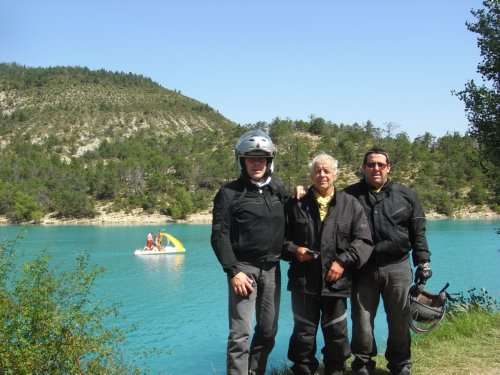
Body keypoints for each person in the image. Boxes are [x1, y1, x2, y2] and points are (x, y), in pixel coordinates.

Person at [283, 153, 373, 375]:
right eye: (317, 170)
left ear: (336, 174)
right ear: (311, 174)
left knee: (337, 335)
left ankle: (335, 370)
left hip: (336, 283)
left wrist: (343, 262)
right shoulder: (296, 204)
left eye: (326, 170)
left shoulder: (350, 204)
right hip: (304, 283)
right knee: (303, 335)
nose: (321, 175)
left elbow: (364, 241)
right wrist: (295, 251)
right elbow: (280, 242)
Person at [344, 148, 432, 375]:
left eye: (380, 165)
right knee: (362, 321)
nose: (376, 168)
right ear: (364, 167)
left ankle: (400, 364)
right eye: (371, 164)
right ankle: (363, 364)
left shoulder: (406, 195)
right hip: (362, 268)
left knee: (399, 320)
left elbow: (418, 232)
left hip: (398, 266)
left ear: (388, 168)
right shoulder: (348, 196)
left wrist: (423, 262)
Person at [210, 130, 289, 375]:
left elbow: (297, 216)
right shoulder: (229, 193)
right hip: (243, 269)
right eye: (251, 158)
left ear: (269, 161)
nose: (257, 163)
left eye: (262, 158)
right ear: (241, 160)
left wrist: (299, 191)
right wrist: (233, 271)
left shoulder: (278, 190)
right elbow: (219, 235)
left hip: (272, 269)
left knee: (268, 330)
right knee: (240, 334)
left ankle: (255, 371)